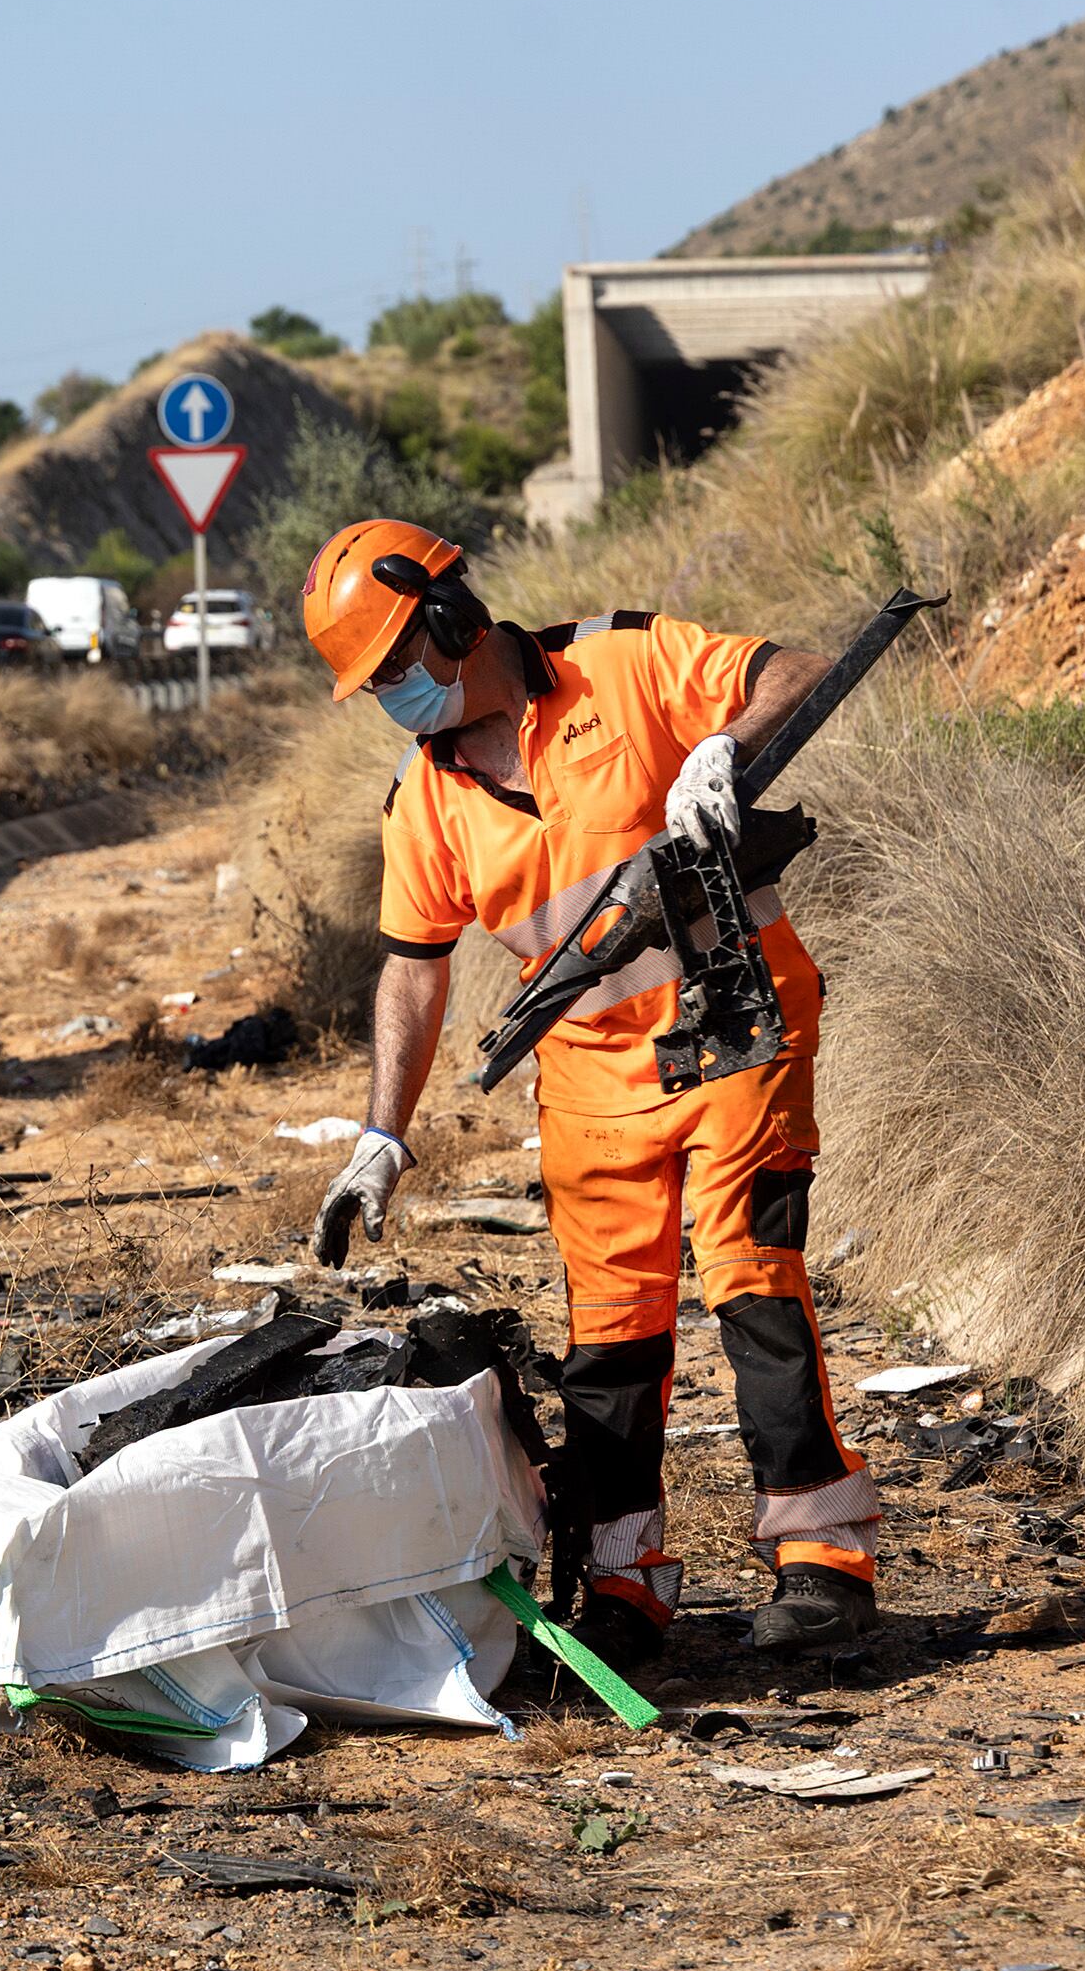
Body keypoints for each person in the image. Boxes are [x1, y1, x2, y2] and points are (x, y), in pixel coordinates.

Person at [301, 520, 878, 1661]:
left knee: (748, 1272)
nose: (395, 700)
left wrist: (723, 750)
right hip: (589, 1079)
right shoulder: (424, 803)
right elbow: (412, 971)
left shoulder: (621, 664)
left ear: (455, 620)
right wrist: (381, 1136)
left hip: (733, 1021)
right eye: (376, 687)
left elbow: (798, 673)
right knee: (610, 1337)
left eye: (399, 667)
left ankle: (823, 1562)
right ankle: (626, 1586)